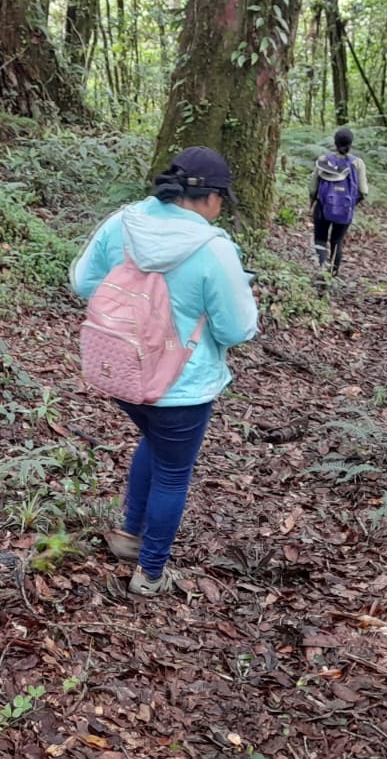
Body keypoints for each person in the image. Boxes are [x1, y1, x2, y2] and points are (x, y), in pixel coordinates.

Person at [70, 147, 259, 596]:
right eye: (221, 200)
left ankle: (130, 534)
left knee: (153, 442)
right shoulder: (214, 249)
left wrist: (129, 313)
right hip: (182, 386)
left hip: (120, 369)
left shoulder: (124, 222)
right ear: (210, 198)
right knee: (174, 471)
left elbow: (81, 281)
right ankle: (150, 574)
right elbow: (236, 329)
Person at [310, 128, 369, 275]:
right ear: (351, 143)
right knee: (337, 240)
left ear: (335, 142)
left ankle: (321, 271)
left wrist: (313, 201)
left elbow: (313, 187)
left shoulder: (324, 160)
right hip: (345, 209)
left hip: (323, 207)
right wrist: (352, 204)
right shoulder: (358, 163)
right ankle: (333, 274)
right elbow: (364, 191)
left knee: (320, 239)